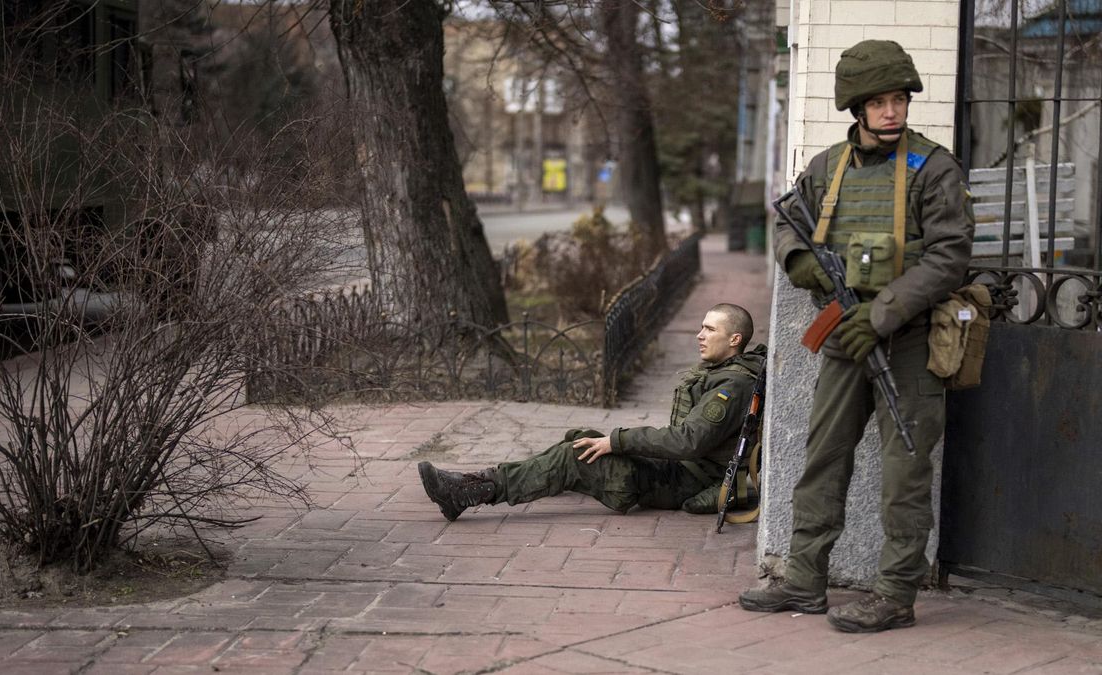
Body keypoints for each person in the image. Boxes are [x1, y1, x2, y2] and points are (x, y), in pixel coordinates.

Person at [737, 40, 974, 633]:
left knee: (905, 473)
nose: (891, 111)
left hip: (910, 340)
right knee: (823, 459)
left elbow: (949, 257)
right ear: (857, 108)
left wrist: (883, 313)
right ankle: (803, 579)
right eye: (878, 102)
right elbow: (787, 223)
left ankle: (894, 595)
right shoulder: (828, 169)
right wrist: (802, 264)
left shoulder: (934, 168)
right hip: (844, 337)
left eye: (899, 100)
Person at [417, 303, 766, 522]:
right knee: (580, 440)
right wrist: (614, 442)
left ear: (734, 340)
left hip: (680, 481)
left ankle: (468, 491)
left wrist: (618, 441)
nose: (699, 335)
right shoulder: (725, 373)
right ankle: (500, 480)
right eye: (701, 327)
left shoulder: (731, 386)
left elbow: (687, 442)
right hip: (676, 469)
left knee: (575, 457)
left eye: (710, 329)